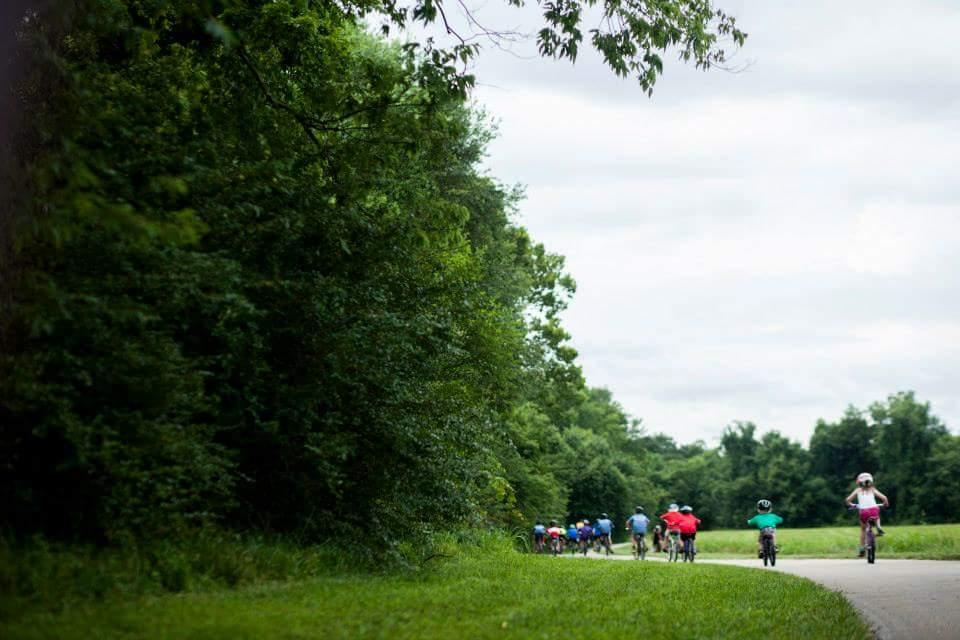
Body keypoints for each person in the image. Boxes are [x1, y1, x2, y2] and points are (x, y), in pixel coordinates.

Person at [845, 472, 890, 557]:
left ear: (858, 482)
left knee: (863, 530)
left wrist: (852, 505)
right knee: (877, 516)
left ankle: (862, 548)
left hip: (863, 512)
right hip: (874, 510)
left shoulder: (858, 490)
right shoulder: (873, 489)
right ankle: (879, 527)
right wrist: (885, 504)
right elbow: (884, 498)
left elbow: (847, 500)